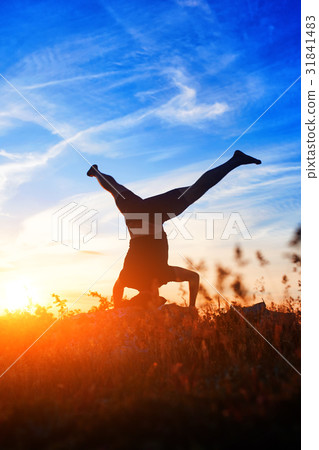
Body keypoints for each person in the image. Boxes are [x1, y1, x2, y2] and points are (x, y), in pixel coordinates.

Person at [87, 150, 261, 308]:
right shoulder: (129, 278)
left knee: (198, 188)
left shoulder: (162, 275)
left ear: (154, 296)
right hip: (133, 216)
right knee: (115, 189)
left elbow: (194, 278)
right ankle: (96, 173)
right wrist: (117, 309)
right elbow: (117, 288)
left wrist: (192, 308)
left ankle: (235, 160)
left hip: (153, 216)